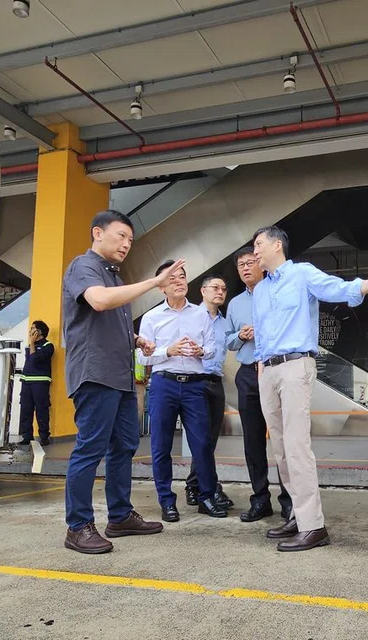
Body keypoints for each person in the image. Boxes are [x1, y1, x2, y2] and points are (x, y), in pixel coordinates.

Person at [251, 225, 368, 551]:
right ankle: (298, 514)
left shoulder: (301, 274)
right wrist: (259, 364)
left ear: (276, 245)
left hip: (296, 365)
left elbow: (338, 289)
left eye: (258, 244)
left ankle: (314, 527)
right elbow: (262, 332)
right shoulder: (259, 291)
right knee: (281, 449)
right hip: (267, 370)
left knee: (297, 445)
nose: (254, 252)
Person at [61, 209, 180, 554]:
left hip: (120, 376)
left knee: (125, 445)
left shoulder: (113, 274)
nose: (127, 243)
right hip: (95, 373)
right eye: (120, 236)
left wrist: (134, 337)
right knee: (90, 447)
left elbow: (101, 318)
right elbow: (97, 302)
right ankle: (78, 526)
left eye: (130, 239)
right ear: (97, 233)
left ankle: (120, 514)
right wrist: (155, 283)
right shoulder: (85, 266)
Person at [137, 260, 226, 522]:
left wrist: (201, 351)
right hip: (164, 384)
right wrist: (168, 351)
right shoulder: (152, 318)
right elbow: (143, 358)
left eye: (182, 276)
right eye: (171, 278)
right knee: (161, 445)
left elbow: (211, 347)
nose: (179, 281)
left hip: (195, 385)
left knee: (202, 444)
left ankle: (206, 497)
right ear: (161, 287)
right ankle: (166, 501)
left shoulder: (200, 314)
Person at [226, 247, 293, 522]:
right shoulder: (234, 304)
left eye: (250, 262)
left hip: (275, 369)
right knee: (253, 440)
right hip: (246, 373)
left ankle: (289, 499)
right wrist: (241, 336)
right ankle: (260, 499)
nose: (245, 268)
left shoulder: (277, 292)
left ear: (262, 264)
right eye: (240, 264)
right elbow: (228, 341)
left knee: (283, 438)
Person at [182, 275, 233, 510]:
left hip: (216, 382)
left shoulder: (225, 323)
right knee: (200, 440)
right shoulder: (191, 316)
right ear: (202, 291)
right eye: (215, 287)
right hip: (196, 382)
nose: (220, 292)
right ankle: (202, 487)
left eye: (223, 288)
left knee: (210, 441)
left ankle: (199, 485)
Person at [18, 320, 54, 446]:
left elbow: (35, 360)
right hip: (27, 382)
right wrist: (32, 344)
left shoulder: (48, 346)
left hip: (40, 383)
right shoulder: (30, 346)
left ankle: (44, 436)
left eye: (33, 328)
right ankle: (27, 436)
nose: (30, 331)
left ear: (39, 331)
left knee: (41, 410)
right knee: (25, 410)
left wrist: (32, 343)